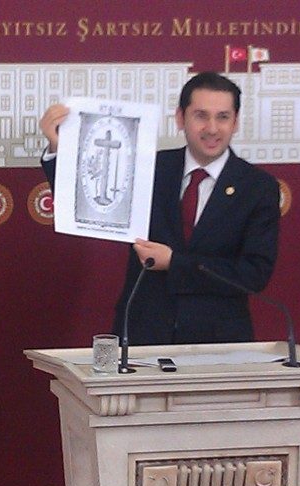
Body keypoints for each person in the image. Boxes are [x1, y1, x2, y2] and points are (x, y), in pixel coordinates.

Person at [40, 72, 280, 345]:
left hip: (218, 344)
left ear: (235, 122)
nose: (212, 128)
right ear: (180, 118)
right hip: (144, 335)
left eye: (222, 117)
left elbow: (253, 274)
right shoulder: (148, 168)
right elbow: (88, 204)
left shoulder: (257, 187)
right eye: (201, 116)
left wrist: (175, 263)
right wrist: (60, 148)